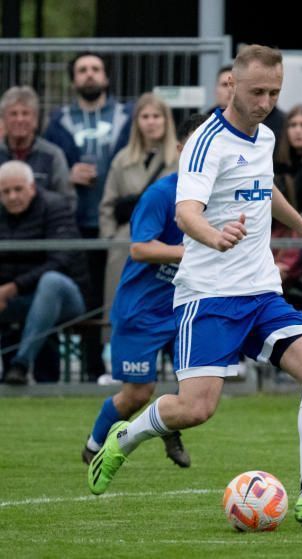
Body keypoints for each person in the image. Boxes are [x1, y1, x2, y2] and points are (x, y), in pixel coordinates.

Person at [87, 44, 302, 527]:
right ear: (233, 85)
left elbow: (266, 186)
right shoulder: (205, 142)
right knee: (196, 410)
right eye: (257, 91)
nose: (265, 101)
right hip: (210, 296)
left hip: (261, 291)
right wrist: (214, 237)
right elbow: (185, 213)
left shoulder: (264, 136)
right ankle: (125, 437)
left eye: (274, 93)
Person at [81, 114, 207, 468]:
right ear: (181, 150)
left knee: (197, 387)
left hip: (185, 307)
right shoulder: (161, 194)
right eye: (199, 145)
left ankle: (167, 424)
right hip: (142, 310)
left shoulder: (217, 195)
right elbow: (140, 249)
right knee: (137, 392)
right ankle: (93, 445)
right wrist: (192, 250)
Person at [44, 51, 132, 381]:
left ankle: (115, 366)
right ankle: (86, 370)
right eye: (82, 70)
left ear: (106, 77)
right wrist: (67, 175)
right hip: (74, 223)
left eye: (95, 69)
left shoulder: (127, 115)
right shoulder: (58, 120)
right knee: (84, 298)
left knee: (115, 295)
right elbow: (50, 169)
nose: (89, 75)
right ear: (73, 80)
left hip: (118, 225)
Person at [99, 93, 178, 350]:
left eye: (156, 116)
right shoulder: (122, 159)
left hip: (168, 239)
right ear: (136, 122)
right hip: (127, 241)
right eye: (145, 116)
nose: (151, 122)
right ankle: (114, 351)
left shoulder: (179, 158)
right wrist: (111, 239)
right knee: (120, 297)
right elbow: (108, 205)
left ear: (166, 120)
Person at [0, 160, 89, 385]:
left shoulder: (55, 205)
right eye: (5, 191)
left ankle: (20, 364)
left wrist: (13, 287)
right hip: (18, 298)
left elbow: (61, 259)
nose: (12, 196)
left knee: (51, 282)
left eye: (18, 189)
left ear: (32, 187)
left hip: (67, 297)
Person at [0, 86, 74, 208]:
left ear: (35, 120)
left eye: (25, 113)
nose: (19, 119)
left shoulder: (53, 155)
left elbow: (67, 200)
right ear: (3, 120)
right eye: (13, 114)